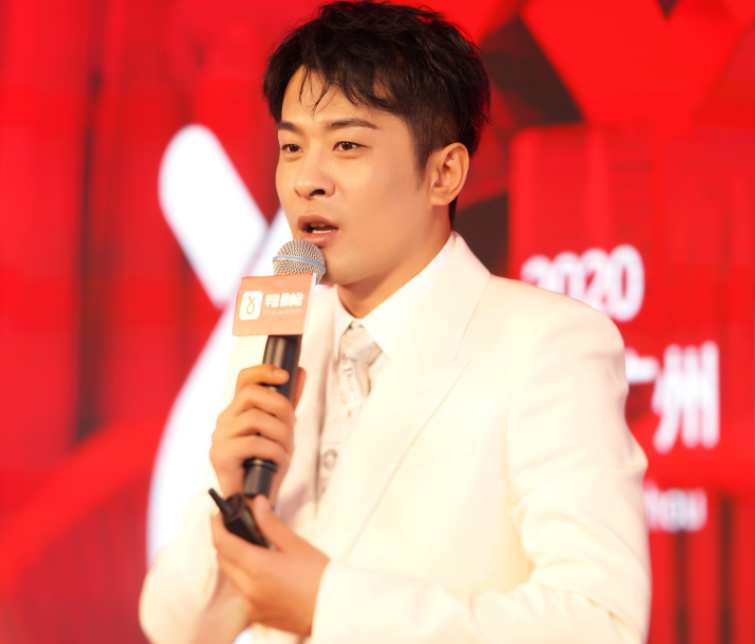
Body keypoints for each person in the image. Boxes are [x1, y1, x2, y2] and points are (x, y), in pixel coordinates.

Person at [139, 2, 650, 643]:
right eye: (292, 146)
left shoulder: (548, 345)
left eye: (347, 145)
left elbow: (600, 623)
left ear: (444, 173)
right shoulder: (276, 336)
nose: (306, 181)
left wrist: (325, 605)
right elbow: (174, 626)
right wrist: (231, 494)